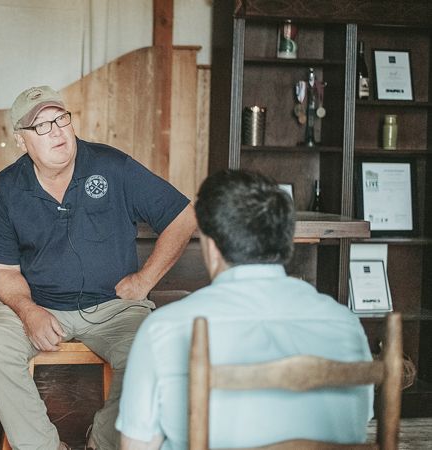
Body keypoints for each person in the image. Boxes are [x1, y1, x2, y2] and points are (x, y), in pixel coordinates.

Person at [0, 85, 197, 450]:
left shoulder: (113, 166)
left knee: (152, 350)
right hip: (38, 304)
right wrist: (29, 313)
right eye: (41, 126)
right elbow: (4, 272)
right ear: (20, 140)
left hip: (113, 307)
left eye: (60, 118)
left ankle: (103, 444)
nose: (57, 130)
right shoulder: (6, 188)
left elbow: (183, 217)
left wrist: (144, 280)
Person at [116, 170, 374, 449]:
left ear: (211, 247)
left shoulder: (164, 329)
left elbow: (137, 446)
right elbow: (358, 426)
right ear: (286, 241)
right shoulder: (345, 324)